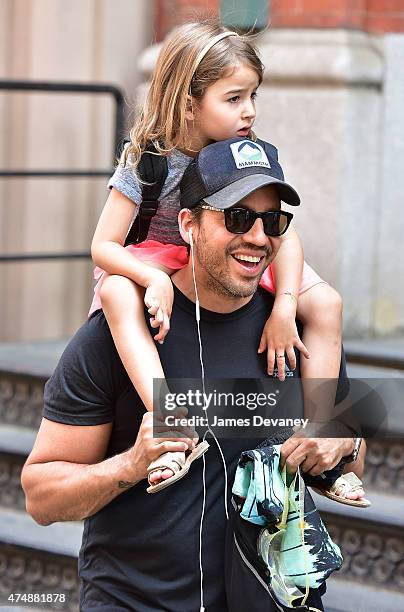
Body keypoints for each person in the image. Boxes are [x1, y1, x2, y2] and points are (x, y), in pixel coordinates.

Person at [22, 138, 366, 612]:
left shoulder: (299, 328)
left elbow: (354, 458)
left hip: (279, 599)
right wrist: (131, 464)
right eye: (238, 217)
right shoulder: (118, 334)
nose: (258, 237)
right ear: (188, 224)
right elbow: (41, 495)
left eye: (273, 221)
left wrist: (340, 442)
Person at [89, 19, 343, 488]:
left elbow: (283, 233)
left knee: (326, 303)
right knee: (117, 297)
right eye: (234, 98)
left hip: (225, 255)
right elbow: (102, 246)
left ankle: (321, 431)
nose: (249, 111)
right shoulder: (147, 160)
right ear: (189, 103)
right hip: (155, 260)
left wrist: (285, 306)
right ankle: (171, 420)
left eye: (253, 96)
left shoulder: (246, 154)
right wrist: (153, 279)